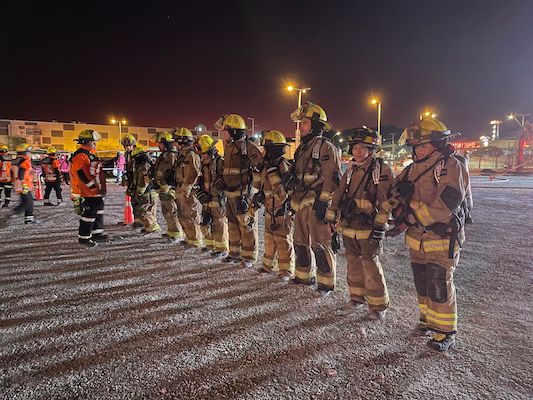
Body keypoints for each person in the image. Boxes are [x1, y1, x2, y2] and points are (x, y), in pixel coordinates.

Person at [390, 116, 469, 352]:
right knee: (422, 282)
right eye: (415, 146)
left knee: (439, 284)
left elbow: (447, 202)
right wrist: (395, 207)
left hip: (442, 237)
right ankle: (427, 320)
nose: (417, 150)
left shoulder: (450, 166)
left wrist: (413, 218)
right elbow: (394, 191)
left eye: (422, 145)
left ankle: (445, 331)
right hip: (418, 239)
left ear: (436, 144)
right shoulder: (412, 168)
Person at [326, 128, 393, 319]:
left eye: (362, 148)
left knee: (370, 264)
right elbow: (340, 192)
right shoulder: (351, 169)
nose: (357, 151)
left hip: (369, 226)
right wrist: (332, 214)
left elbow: (386, 201)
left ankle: (378, 306)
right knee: (353, 262)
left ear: (371, 150)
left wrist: (380, 227)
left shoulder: (381, 170)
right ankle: (356, 297)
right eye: (355, 147)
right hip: (349, 225)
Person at [286, 102, 342, 295]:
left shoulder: (325, 147)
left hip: (316, 202)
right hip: (300, 202)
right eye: (301, 123)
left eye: (305, 123)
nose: (300, 127)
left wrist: (323, 202)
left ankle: (326, 283)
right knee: (299, 241)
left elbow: (332, 178)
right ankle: (302, 276)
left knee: (320, 243)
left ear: (315, 126)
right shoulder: (302, 148)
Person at [214, 114, 264, 268]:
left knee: (246, 226)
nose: (223, 134)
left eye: (225, 131)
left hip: (243, 195)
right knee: (232, 225)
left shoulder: (247, 147)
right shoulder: (229, 147)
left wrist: (255, 188)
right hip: (230, 195)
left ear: (233, 132)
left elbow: (260, 166)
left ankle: (249, 256)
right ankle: (234, 253)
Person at [255, 130, 295, 281]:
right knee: (269, 239)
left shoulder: (282, 165)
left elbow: (283, 192)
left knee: (283, 241)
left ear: (272, 150)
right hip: (269, 209)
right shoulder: (266, 166)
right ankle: (267, 266)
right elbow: (260, 186)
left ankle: (285, 271)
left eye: (265, 149)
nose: (263, 152)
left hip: (281, 210)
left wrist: (272, 172)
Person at [70, 129, 108, 247]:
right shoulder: (81, 155)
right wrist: (92, 187)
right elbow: (81, 173)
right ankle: (84, 237)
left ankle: (97, 233)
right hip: (86, 191)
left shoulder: (88, 154)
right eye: (93, 142)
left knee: (98, 208)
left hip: (92, 190)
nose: (95, 144)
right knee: (89, 213)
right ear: (87, 142)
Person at [195, 134, 229, 258]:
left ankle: (222, 248)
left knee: (219, 223)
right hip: (206, 198)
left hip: (217, 198)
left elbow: (224, 181)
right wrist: (200, 192)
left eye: (204, 153)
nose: (202, 155)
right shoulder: (203, 164)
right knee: (206, 221)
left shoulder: (220, 162)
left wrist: (212, 193)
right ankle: (209, 245)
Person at [173, 128, 203, 248]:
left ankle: (195, 239)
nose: (174, 144)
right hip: (181, 189)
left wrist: (186, 188)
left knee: (190, 215)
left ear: (182, 141)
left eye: (176, 141)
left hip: (188, 191)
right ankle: (189, 237)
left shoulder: (191, 154)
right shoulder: (182, 154)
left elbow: (193, 173)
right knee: (182, 215)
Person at [153, 130, 185, 243]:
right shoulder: (164, 155)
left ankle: (177, 233)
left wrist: (167, 185)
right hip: (163, 187)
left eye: (160, 143)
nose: (158, 145)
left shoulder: (172, 155)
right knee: (166, 211)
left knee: (172, 211)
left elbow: (172, 173)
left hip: (169, 188)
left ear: (166, 143)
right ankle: (171, 231)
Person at [130, 145, 160, 234]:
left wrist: (139, 192)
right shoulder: (147, 164)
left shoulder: (143, 166)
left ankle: (153, 227)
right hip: (151, 192)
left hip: (147, 192)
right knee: (150, 210)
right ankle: (149, 227)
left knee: (144, 211)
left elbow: (144, 181)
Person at [121, 134, 143, 229]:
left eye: (129, 146)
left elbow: (143, 170)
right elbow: (129, 168)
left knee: (142, 204)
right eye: (125, 146)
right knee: (134, 202)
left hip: (140, 181)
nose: (127, 148)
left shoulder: (139, 154)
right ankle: (137, 222)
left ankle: (144, 223)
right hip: (132, 181)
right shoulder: (127, 154)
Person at [11, 143, 36, 224]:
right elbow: (22, 172)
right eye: (29, 152)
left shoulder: (16, 160)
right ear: (25, 152)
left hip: (19, 184)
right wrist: (23, 183)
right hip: (24, 184)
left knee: (28, 201)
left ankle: (29, 218)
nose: (30, 153)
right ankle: (16, 212)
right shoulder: (25, 161)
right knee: (28, 201)